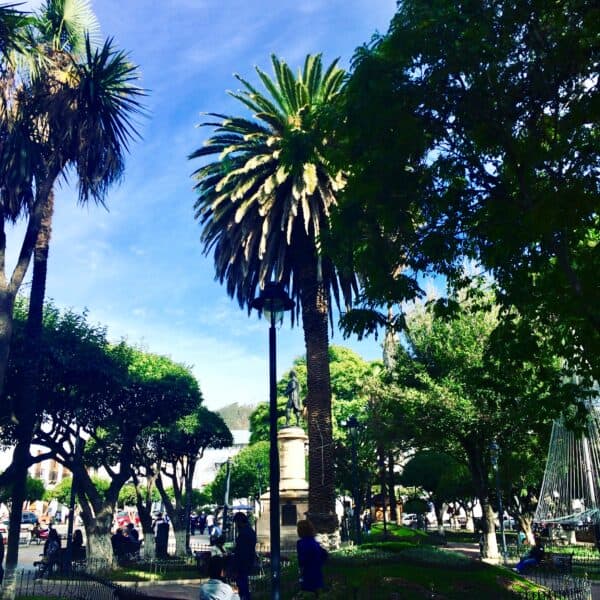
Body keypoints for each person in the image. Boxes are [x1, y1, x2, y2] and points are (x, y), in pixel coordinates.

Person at [296, 519, 328, 595]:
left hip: (307, 575)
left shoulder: (301, 543)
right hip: (317, 573)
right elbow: (325, 554)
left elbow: (301, 561)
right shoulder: (314, 543)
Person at [232, 512, 256, 600]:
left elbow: (242, 552)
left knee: (242, 584)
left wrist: (236, 566)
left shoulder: (244, 533)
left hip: (243, 563)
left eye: (236, 523)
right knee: (243, 583)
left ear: (239, 522)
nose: (236, 525)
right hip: (247, 561)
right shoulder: (249, 531)